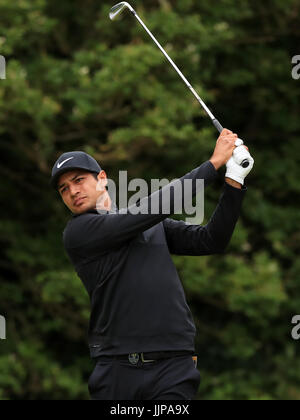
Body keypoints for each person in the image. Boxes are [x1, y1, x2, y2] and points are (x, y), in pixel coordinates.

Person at [50, 129, 254, 400]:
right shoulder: (79, 232)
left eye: (78, 180)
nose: (73, 191)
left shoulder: (145, 223)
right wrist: (212, 165)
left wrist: (234, 180)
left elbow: (210, 241)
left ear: (102, 179)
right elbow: (151, 209)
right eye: (64, 188)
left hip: (174, 366)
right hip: (117, 370)